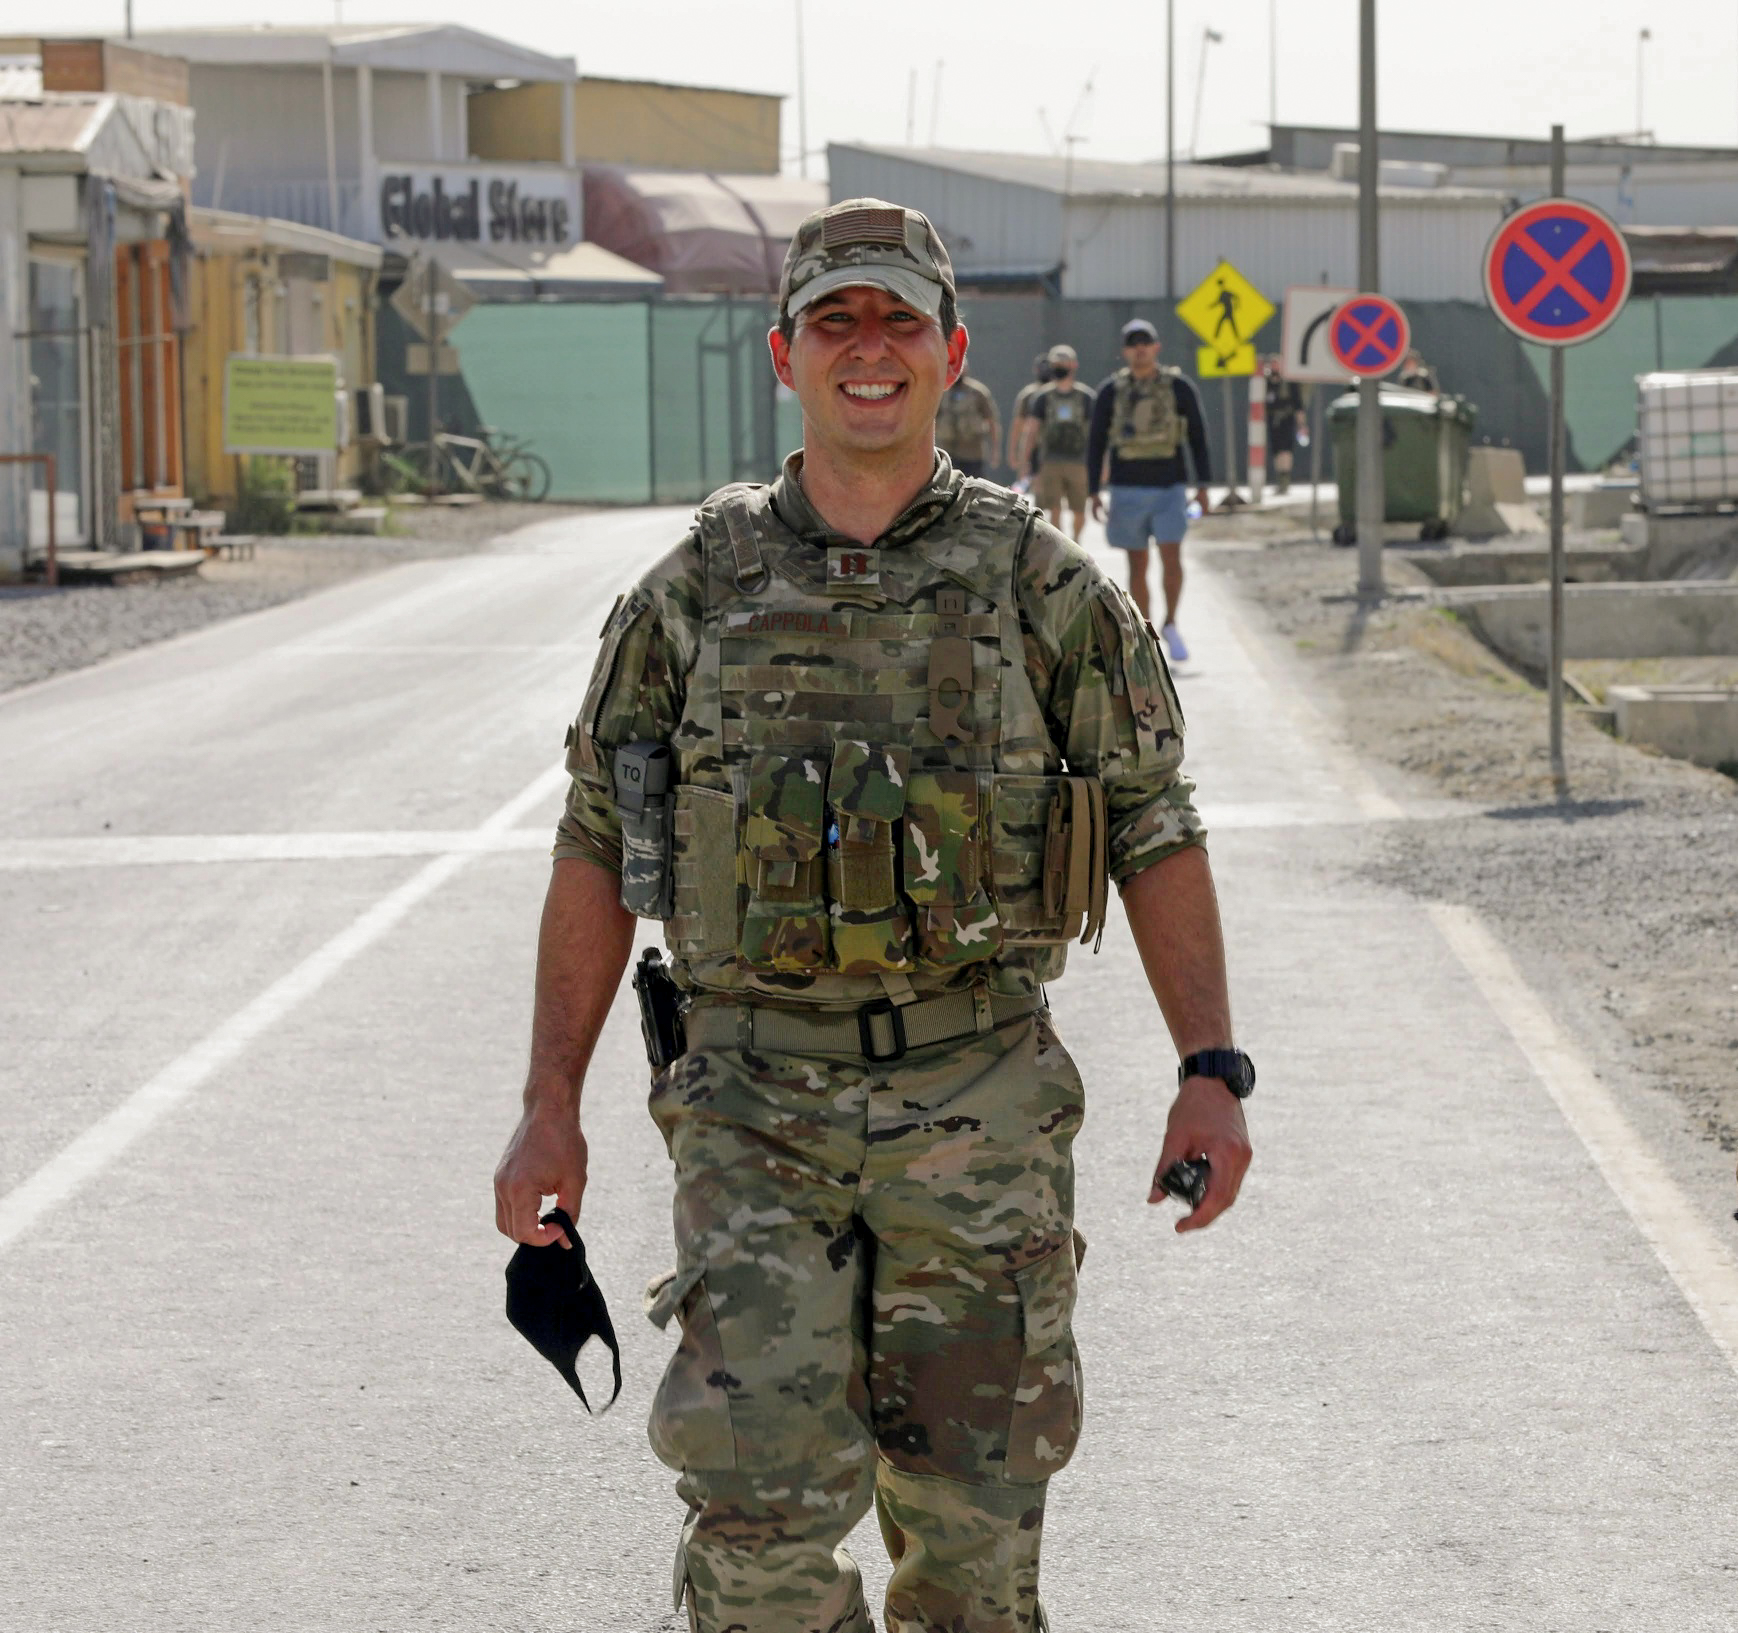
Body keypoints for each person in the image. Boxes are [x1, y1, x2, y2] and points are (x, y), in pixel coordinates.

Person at [494, 197, 1254, 1633]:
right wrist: (550, 1106)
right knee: (755, 1534)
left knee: (974, 1543)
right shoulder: (690, 594)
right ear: (784, 352)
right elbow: (596, 843)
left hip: (979, 1099)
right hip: (751, 1102)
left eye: (898, 320)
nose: (868, 349)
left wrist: (1209, 1068)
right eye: (835, 321)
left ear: (951, 352)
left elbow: (1153, 821)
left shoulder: (1044, 591)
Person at [1086, 317, 1212, 663]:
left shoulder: (1178, 387)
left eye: (1145, 343)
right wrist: (1093, 490)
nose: (1140, 349)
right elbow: (1096, 442)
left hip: (1170, 486)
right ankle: (1146, 633)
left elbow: (1198, 436)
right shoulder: (1110, 392)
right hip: (1126, 488)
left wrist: (1203, 486)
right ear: (1125, 351)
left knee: (1172, 557)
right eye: (1133, 344)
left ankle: (1171, 622)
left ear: (1156, 347)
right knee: (1136, 564)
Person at [1015, 343, 1095, 540]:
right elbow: (1031, 431)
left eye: (1064, 363)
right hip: (1050, 460)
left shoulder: (1085, 397)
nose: (1060, 367)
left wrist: (1102, 465)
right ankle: (1064, 546)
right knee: (1054, 508)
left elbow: (1095, 433)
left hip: (1079, 461)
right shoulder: (1042, 397)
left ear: (1073, 365)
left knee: (1079, 509)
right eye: (1056, 363)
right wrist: (1025, 462)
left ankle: (1076, 541)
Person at [933, 369, 1001, 478]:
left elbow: (992, 421)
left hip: (973, 453)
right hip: (947, 452)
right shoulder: (942, 392)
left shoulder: (977, 392)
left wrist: (995, 451)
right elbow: (932, 420)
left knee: (973, 488)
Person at [1261, 355, 1306, 495]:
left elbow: (1298, 405)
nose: (1275, 367)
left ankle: (1284, 482)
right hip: (1272, 421)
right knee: (1276, 451)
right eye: (1272, 364)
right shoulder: (1267, 383)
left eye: (1277, 364)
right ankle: (1279, 480)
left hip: (1286, 420)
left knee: (1285, 451)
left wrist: (1302, 425)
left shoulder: (1289, 383)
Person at [1007, 351, 1053, 485]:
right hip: (1033, 448)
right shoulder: (1029, 394)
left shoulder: (1058, 393)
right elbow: (1018, 424)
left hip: (1054, 448)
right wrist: (1013, 452)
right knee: (1032, 486)